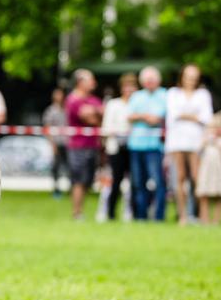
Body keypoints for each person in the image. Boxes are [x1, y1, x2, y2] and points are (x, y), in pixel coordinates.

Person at [164, 64, 213, 225]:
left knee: (197, 177)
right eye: (188, 76)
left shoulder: (203, 94)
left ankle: (201, 215)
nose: (190, 80)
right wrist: (194, 116)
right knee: (180, 177)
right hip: (177, 139)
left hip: (196, 140)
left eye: (194, 77)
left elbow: (206, 117)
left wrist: (186, 116)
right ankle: (182, 215)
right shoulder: (173, 93)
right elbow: (172, 115)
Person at [128, 66, 168, 221]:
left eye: (152, 79)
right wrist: (146, 117)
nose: (150, 82)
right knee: (138, 183)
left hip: (155, 147)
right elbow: (130, 116)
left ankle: (159, 216)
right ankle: (140, 216)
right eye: (147, 80)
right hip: (136, 145)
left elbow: (157, 119)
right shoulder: (137, 96)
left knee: (158, 183)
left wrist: (141, 116)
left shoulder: (165, 95)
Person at [64, 69, 103, 220]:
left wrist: (95, 113)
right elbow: (90, 119)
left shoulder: (93, 99)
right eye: (90, 80)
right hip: (78, 146)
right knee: (78, 179)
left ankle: (81, 211)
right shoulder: (73, 99)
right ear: (80, 82)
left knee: (88, 180)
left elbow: (99, 117)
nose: (94, 83)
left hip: (93, 145)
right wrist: (96, 113)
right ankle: (77, 212)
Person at [101, 73, 137, 221]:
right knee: (116, 181)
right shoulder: (114, 104)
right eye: (126, 86)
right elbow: (106, 127)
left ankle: (134, 213)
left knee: (135, 182)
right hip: (116, 147)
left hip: (134, 146)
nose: (129, 90)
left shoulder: (137, 104)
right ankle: (111, 213)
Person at [196, 112, 221, 225]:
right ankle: (204, 218)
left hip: (218, 171)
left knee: (218, 194)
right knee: (203, 193)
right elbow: (198, 149)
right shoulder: (205, 139)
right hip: (206, 170)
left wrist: (217, 139)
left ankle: (216, 219)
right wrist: (207, 138)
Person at [42, 88, 68, 198]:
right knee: (56, 167)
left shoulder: (67, 109)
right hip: (57, 143)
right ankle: (56, 189)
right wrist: (52, 144)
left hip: (68, 143)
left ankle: (71, 188)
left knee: (70, 167)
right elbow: (47, 128)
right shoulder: (50, 111)